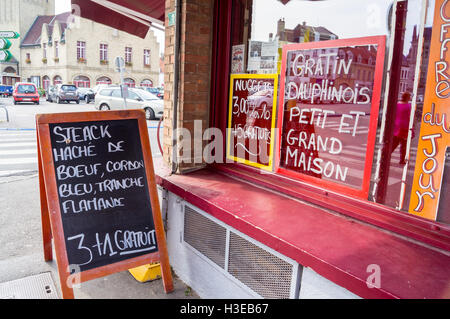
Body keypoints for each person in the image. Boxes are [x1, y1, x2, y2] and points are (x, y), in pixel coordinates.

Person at [391, 91, 413, 165]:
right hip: (405, 127)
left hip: (396, 127)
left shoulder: (396, 105)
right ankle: (402, 160)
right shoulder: (409, 106)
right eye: (409, 97)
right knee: (404, 145)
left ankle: (386, 156)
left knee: (394, 143)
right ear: (407, 98)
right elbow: (412, 117)